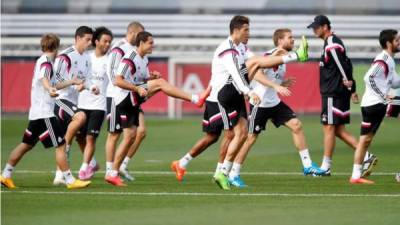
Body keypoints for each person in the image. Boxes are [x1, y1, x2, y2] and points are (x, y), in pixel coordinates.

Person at [209, 15, 309, 190]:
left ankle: (223, 173)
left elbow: (260, 63)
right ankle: (297, 55)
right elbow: (237, 73)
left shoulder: (241, 47)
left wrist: (277, 56)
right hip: (227, 92)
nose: (249, 33)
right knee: (235, 135)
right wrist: (250, 91)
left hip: (237, 93)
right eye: (246, 30)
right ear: (236, 30)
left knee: (240, 135)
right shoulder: (227, 50)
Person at [227, 28, 326, 187]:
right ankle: (233, 174)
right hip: (260, 104)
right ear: (280, 41)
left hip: (274, 103)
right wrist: (276, 86)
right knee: (250, 138)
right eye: (289, 37)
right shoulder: (271, 55)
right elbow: (258, 74)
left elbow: (270, 78)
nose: (293, 40)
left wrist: (281, 84)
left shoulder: (284, 58)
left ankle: (307, 166)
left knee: (296, 125)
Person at [0, 34, 90, 189]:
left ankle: (5, 175)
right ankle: (69, 180)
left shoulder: (43, 61)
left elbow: (54, 83)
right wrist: (50, 89)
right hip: (45, 113)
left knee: (26, 144)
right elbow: (45, 79)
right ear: (56, 47)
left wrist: (72, 81)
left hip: (36, 112)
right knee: (61, 144)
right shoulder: (47, 63)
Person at [307, 15, 377, 176]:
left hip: (333, 92)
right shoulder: (334, 42)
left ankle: (325, 167)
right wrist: (352, 89)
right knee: (338, 129)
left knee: (329, 127)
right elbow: (347, 63)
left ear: (325, 27)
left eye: (317, 27)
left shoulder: (331, 43)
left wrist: (349, 83)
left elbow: (341, 64)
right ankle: (366, 156)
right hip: (337, 92)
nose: (314, 30)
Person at [350, 29, 400, 184]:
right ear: (388, 43)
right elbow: (369, 77)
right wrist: (382, 95)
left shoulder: (390, 61)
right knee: (365, 140)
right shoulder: (383, 59)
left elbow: (396, 83)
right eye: (397, 40)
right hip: (375, 104)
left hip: (377, 104)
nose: (399, 43)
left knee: (365, 140)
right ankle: (356, 176)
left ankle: (356, 176)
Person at [52, 26, 99, 185]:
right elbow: (55, 84)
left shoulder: (87, 58)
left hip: (72, 101)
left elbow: (87, 79)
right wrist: (73, 83)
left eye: (91, 40)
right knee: (80, 117)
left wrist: (91, 87)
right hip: (58, 100)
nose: (90, 42)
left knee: (30, 144)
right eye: (87, 39)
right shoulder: (65, 57)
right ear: (77, 39)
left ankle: (59, 175)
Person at [76, 27, 113, 180]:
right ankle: (92, 163)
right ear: (96, 42)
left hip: (99, 105)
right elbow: (78, 76)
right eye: (105, 41)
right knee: (79, 137)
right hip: (82, 103)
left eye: (110, 42)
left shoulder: (109, 60)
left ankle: (84, 169)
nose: (108, 44)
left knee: (91, 138)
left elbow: (114, 80)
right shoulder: (86, 57)